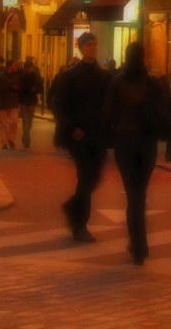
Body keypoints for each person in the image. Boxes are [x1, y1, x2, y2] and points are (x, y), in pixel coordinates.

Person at [102, 41, 167, 265]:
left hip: (125, 142)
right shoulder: (152, 83)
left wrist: (108, 138)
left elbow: (108, 113)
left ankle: (137, 244)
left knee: (132, 195)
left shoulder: (118, 82)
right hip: (147, 142)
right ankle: (141, 245)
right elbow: (164, 112)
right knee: (140, 192)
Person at [49, 32, 111, 242]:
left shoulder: (104, 76)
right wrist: (72, 126)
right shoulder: (71, 75)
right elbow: (59, 104)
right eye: (89, 45)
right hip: (79, 136)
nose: (93, 48)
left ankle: (72, 207)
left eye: (95, 44)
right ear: (82, 49)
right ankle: (80, 225)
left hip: (97, 135)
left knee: (93, 178)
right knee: (86, 178)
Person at [0, 58, 22, 149]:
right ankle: (4, 141)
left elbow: (20, 88)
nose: (16, 67)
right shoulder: (1, 77)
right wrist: (11, 86)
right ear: (10, 66)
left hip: (13, 102)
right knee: (2, 123)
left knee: (14, 121)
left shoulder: (17, 77)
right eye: (14, 65)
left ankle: (11, 139)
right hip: (2, 103)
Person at [18, 56, 43, 149]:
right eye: (28, 68)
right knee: (26, 119)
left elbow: (40, 87)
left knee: (30, 119)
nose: (29, 70)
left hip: (32, 100)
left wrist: (36, 89)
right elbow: (19, 88)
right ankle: (26, 137)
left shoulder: (36, 76)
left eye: (30, 68)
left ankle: (26, 134)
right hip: (24, 100)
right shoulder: (21, 76)